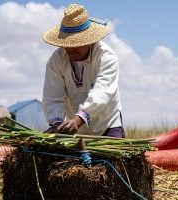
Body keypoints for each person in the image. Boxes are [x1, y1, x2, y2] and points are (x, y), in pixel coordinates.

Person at [42, 4, 125, 138]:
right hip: (75, 130)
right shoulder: (56, 60)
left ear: (90, 41)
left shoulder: (106, 57)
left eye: (77, 43)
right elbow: (52, 97)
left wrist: (79, 118)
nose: (71, 49)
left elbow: (102, 93)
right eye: (68, 44)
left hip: (107, 124)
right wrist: (57, 123)